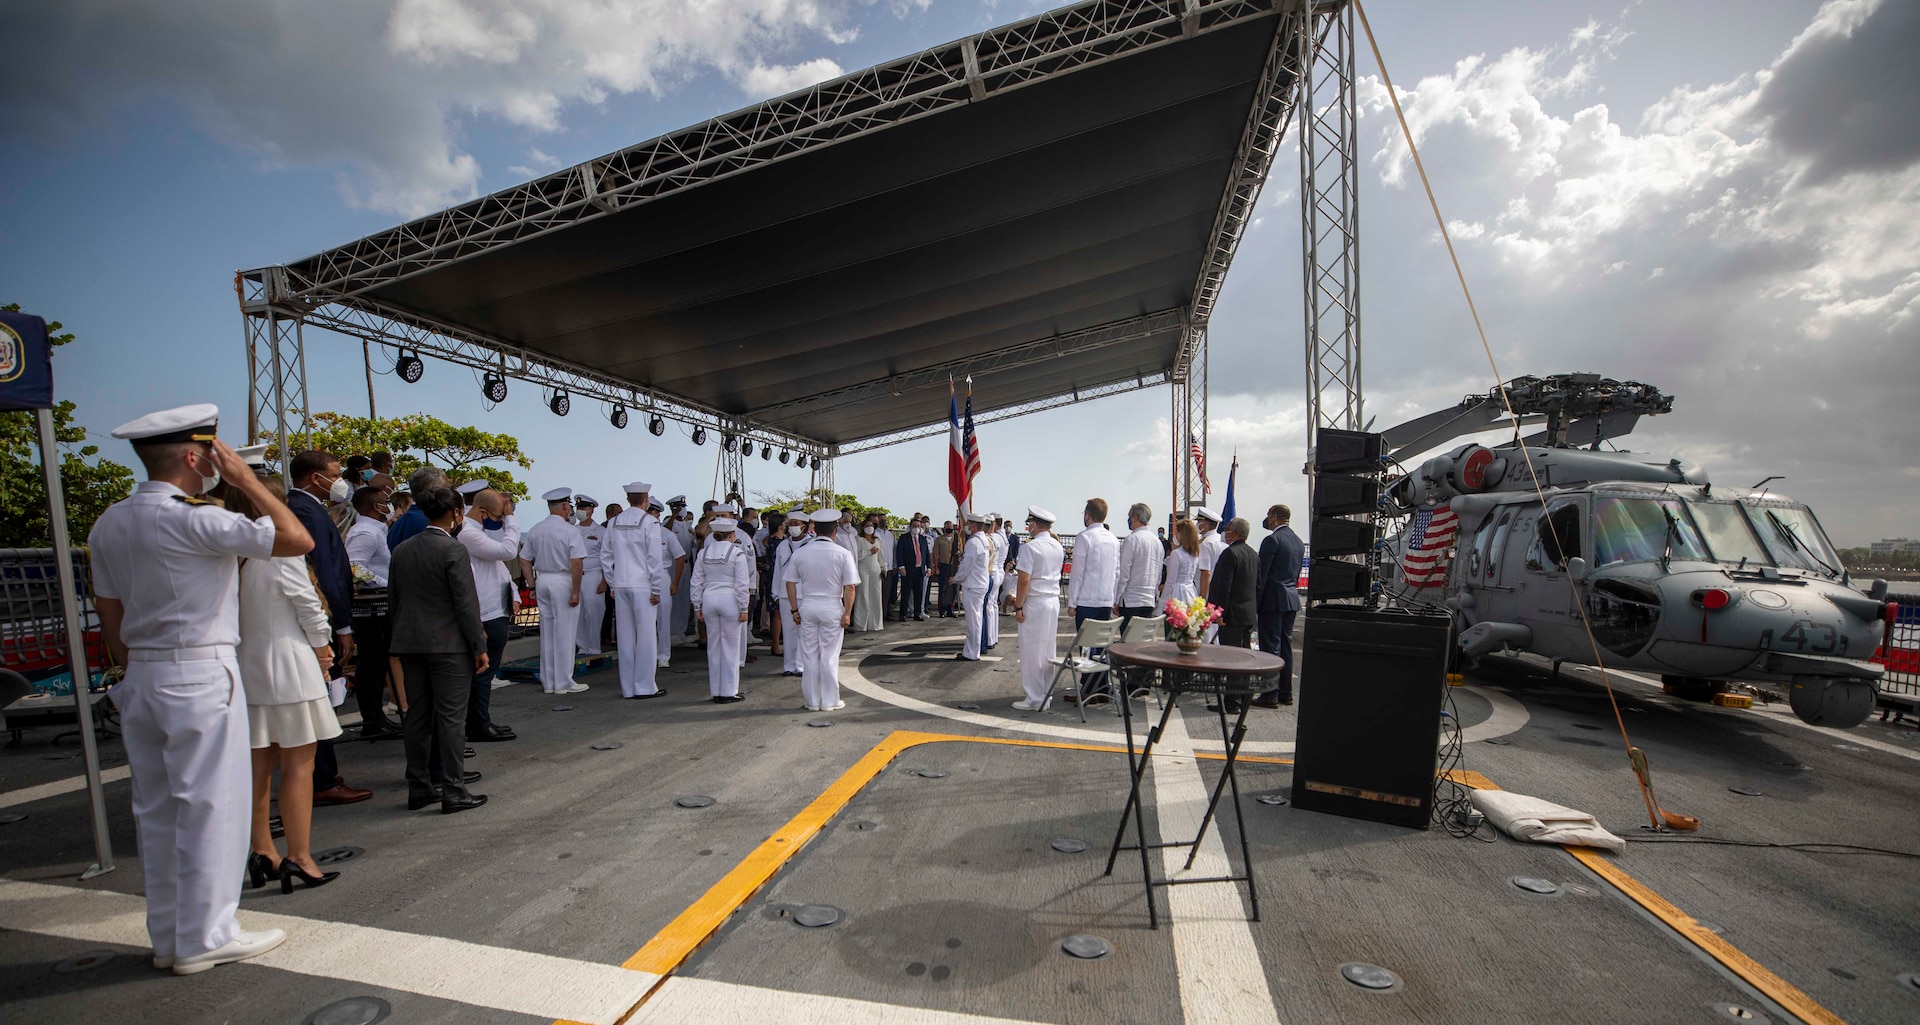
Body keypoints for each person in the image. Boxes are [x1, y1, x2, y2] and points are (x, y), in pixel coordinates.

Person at [91, 404, 312, 974]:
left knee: (158, 810)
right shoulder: (195, 518)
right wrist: (245, 483)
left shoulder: (110, 522)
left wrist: (139, 663)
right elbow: (296, 538)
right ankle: (207, 935)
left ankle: (169, 935)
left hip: (141, 673)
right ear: (196, 456)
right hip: (200, 671)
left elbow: (109, 617)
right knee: (214, 806)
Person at [224, 476, 343, 895]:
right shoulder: (278, 549)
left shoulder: (228, 553)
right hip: (289, 666)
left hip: (247, 667)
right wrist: (324, 650)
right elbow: (308, 606)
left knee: (259, 768)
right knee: (299, 767)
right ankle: (300, 856)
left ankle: (262, 850)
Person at [388, 487, 489, 814]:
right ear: (456, 514)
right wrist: (478, 645)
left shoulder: (402, 549)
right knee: (450, 719)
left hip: (410, 643)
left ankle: (419, 786)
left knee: (417, 716)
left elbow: (395, 601)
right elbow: (465, 603)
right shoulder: (453, 550)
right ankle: (453, 789)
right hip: (448, 647)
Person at [284, 450, 371, 807]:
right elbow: (324, 575)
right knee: (321, 700)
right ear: (313, 477)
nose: (341, 481)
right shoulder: (305, 511)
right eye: (334, 474)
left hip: (320, 619)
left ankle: (323, 773)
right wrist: (342, 625)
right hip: (321, 620)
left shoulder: (309, 509)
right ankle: (321, 778)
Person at [457, 488, 520, 740]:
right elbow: (507, 552)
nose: (500, 521)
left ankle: (481, 721)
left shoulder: (479, 530)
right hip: (484, 611)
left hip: (495, 608)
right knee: (481, 674)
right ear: (482, 512)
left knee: (486, 673)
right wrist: (512, 520)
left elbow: (497, 566)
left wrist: (513, 592)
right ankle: (478, 725)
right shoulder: (468, 532)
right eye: (498, 516)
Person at [783, 509, 859, 712]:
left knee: (809, 655)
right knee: (829, 655)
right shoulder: (843, 553)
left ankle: (812, 701)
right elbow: (850, 586)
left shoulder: (800, 552)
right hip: (832, 605)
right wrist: (847, 613)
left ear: (814, 530)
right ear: (835, 531)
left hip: (807, 605)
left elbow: (789, 583)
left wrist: (794, 609)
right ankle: (829, 700)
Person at [343, 486, 402, 740]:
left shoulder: (374, 530)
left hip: (376, 606)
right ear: (376, 506)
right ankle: (373, 719)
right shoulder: (366, 532)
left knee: (377, 663)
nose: (388, 504)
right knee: (373, 664)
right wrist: (384, 584)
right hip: (372, 608)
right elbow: (354, 568)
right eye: (385, 501)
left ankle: (376, 718)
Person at [601, 483, 667, 698]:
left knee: (625, 637)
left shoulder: (614, 522)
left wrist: (612, 583)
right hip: (643, 585)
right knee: (646, 636)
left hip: (621, 583)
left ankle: (628, 687)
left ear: (628, 499)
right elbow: (654, 558)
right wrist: (656, 588)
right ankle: (645, 686)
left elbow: (605, 556)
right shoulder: (650, 522)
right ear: (646, 499)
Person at [519, 488, 587, 694]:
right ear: (566, 507)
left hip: (543, 579)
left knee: (547, 631)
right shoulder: (570, 530)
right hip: (562, 579)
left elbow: (524, 560)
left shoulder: (536, 529)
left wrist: (531, 585)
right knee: (565, 632)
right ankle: (563, 682)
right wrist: (575, 591)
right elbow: (576, 563)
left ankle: (548, 681)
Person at [693, 517, 755, 703]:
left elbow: (696, 581)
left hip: (709, 599)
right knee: (731, 647)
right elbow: (742, 583)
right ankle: (729, 690)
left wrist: (697, 604)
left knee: (714, 647)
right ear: (732, 534)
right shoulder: (737, 554)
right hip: (730, 600)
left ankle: (716, 691)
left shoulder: (703, 553)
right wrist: (744, 607)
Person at [1204, 517, 1261, 713]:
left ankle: (1232, 702)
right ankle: (1242, 696)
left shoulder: (1230, 554)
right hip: (1248, 614)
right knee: (1245, 657)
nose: (1225, 532)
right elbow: (1258, 586)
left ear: (1234, 533)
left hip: (1232, 615)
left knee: (1232, 659)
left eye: (1228, 529)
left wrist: (1218, 612)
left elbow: (1222, 587)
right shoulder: (1253, 554)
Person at [1011, 507, 1066, 712]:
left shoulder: (1031, 548)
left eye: (1029, 523)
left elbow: (1024, 580)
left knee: (1032, 651)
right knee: (1046, 651)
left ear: (1034, 524)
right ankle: (1045, 695)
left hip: (1035, 602)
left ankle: (1034, 699)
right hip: (1052, 602)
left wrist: (1018, 606)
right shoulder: (1057, 546)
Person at [1065, 499, 1118, 700]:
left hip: (1087, 600)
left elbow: (1077, 573)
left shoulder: (1084, 537)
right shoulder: (1113, 538)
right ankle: (1102, 687)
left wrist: (1072, 602)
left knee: (1087, 646)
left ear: (1088, 515)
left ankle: (1088, 689)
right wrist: (1113, 596)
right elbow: (1117, 571)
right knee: (1101, 645)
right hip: (1105, 600)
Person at [1254, 503, 1304, 708]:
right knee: (1285, 646)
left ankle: (1269, 694)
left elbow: (1262, 575)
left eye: (1268, 515)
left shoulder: (1272, 540)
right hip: (1291, 598)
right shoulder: (1298, 542)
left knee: (1270, 647)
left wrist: (1255, 602)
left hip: (1273, 599)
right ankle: (1285, 692)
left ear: (1274, 517)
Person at [647, 496, 685, 669]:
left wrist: (675, 582)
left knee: (663, 618)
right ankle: (647, 652)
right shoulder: (638, 532)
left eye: (653, 513)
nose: (650, 516)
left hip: (662, 577)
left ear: (658, 515)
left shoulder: (667, 534)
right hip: (642, 577)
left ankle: (663, 654)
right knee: (644, 618)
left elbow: (679, 557)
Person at [770, 506, 808, 676]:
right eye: (790, 523)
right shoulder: (783, 545)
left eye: (796, 523)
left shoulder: (811, 544)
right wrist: (775, 593)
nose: (792, 526)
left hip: (805, 593)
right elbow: (777, 570)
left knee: (803, 631)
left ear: (804, 526)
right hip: (785, 593)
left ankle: (800, 665)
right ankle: (789, 665)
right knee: (788, 630)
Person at [1115, 502, 1163, 625]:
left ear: (1135, 517)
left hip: (1131, 600)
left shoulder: (1131, 540)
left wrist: (1116, 599)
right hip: (1149, 600)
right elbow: (1158, 574)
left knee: (1128, 642)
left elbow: (1124, 574)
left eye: (1130, 516)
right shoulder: (1157, 542)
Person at [572, 495, 608, 658]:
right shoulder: (572, 530)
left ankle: (594, 647)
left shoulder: (601, 532)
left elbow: (608, 557)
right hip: (575, 577)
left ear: (592, 510)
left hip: (593, 576)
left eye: (584, 508)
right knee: (577, 613)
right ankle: (582, 647)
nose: (581, 511)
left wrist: (605, 580)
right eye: (579, 508)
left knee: (593, 613)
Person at [954, 512, 993, 660]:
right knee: (976, 620)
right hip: (979, 583)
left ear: (974, 525)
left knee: (973, 622)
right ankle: (971, 651)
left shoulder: (974, 542)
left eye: (969, 524)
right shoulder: (983, 540)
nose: (967, 526)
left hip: (973, 585)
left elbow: (967, 565)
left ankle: (971, 653)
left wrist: (957, 578)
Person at [387, 465, 447, 550]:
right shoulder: (430, 522)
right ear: (433, 491)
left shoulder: (399, 524)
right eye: (447, 489)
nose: (450, 494)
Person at [851, 516, 885, 631]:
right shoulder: (858, 540)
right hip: (863, 569)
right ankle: (861, 625)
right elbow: (857, 556)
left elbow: (881, 556)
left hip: (875, 569)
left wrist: (884, 568)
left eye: (871, 526)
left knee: (876, 596)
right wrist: (869, 552)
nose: (869, 528)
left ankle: (876, 624)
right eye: (867, 526)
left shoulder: (878, 540)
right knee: (863, 596)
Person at [895, 516, 932, 621]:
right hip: (907, 570)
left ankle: (917, 613)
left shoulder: (923, 539)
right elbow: (899, 553)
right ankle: (903, 614)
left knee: (918, 593)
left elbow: (926, 555)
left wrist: (929, 567)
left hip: (919, 570)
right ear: (910, 527)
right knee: (906, 593)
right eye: (915, 526)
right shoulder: (904, 538)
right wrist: (901, 567)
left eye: (919, 526)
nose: (917, 528)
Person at [1163, 517, 1202, 605]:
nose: (1176, 534)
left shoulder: (1176, 554)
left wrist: (1162, 602)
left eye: (1177, 531)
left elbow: (1170, 581)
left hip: (1177, 592)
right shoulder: (1195, 553)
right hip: (1190, 591)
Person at [932, 521, 958, 617]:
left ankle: (950, 610)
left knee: (952, 588)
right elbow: (936, 554)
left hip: (953, 566)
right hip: (943, 565)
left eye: (951, 527)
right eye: (948, 527)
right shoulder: (939, 540)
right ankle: (942, 610)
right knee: (943, 588)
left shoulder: (956, 540)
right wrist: (936, 567)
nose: (949, 528)